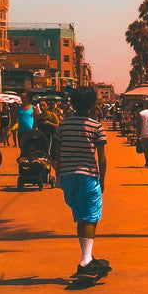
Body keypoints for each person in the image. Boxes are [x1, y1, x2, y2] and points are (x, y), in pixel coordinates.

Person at [56, 84, 109, 280]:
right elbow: (102, 158)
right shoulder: (96, 126)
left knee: (80, 216)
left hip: (68, 177)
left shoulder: (63, 125)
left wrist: (59, 175)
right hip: (87, 175)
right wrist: (102, 180)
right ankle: (85, 261)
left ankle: (86, 256)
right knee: (91, 217)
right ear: (93, 104)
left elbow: (56, 154)